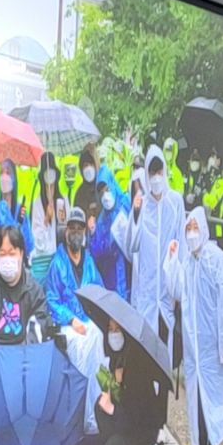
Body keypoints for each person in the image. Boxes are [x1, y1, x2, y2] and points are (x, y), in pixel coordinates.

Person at [165, 214, 223, 445]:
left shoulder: (215, 259)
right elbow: (175, 290)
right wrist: (172, 259)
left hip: (212, 347)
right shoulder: (188, 263)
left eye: (196, 227)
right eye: (188, 228)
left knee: (213, 401)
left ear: (204, 229)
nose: (192, 233)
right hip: (194, 349)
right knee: (195, 398)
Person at [113, 144, 185, 360]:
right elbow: (132, 245)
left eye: (159, 171)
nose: (156, 177)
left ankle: (162, 393)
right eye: (152, 172)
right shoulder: (142, 205)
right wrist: (135, 214)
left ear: (165, 171)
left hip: (166, 292)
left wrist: (177, 287)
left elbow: (180, 243)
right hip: (145, 291)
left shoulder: (175, 202)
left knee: (165, 349)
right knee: (145, 351)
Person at [46, 209, 107, 433]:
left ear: (84, 232)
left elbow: (99, 291)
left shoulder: (89, 260)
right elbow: (51, 299)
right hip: (68, 326)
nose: (75, 232)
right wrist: (71, 320)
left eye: (79, 228)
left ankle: (95, 411)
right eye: (71, 227)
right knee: (82, 347)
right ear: (65, 231)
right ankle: (77, 414)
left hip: (89, 322)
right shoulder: (57, 263)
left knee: (101, 342)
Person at [94, 320, 168, 445]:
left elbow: (137, 415)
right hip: (127, 421)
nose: (113, 334)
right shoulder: (117, 358)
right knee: (98, 408)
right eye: (110, 329)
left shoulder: (138, 364)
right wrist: (112, 389)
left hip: (143, 427)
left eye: (118, 328)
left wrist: (112, 408)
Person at [90, 166, 130, 301]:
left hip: (131, 275)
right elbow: (96, 253)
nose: (105, 195)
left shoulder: (126, 204)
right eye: (101, 193)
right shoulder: (101, 220)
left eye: (107, 189)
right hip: (112, 282)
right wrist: (93, 234)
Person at [30, 152, 62, 283]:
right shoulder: (37, 204)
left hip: (60, 260)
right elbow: (37, 241)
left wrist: (61, 220)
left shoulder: (63, 200)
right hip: (42, 263)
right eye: (46, 171)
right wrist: (46, 219)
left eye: (52, 170)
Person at [0, 159, 33, 256]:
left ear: (14, 178)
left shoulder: (20, 210)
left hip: (17, 264)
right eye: (1, 173)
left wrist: (21, 225)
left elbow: (28, 246)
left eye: (8, 173)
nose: (4, 177)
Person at [73, 144, 100, 219]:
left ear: (96, 165)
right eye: (85, 165)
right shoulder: (80, 193)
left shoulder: (102, 187)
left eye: (91, 164)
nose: (88, 168)